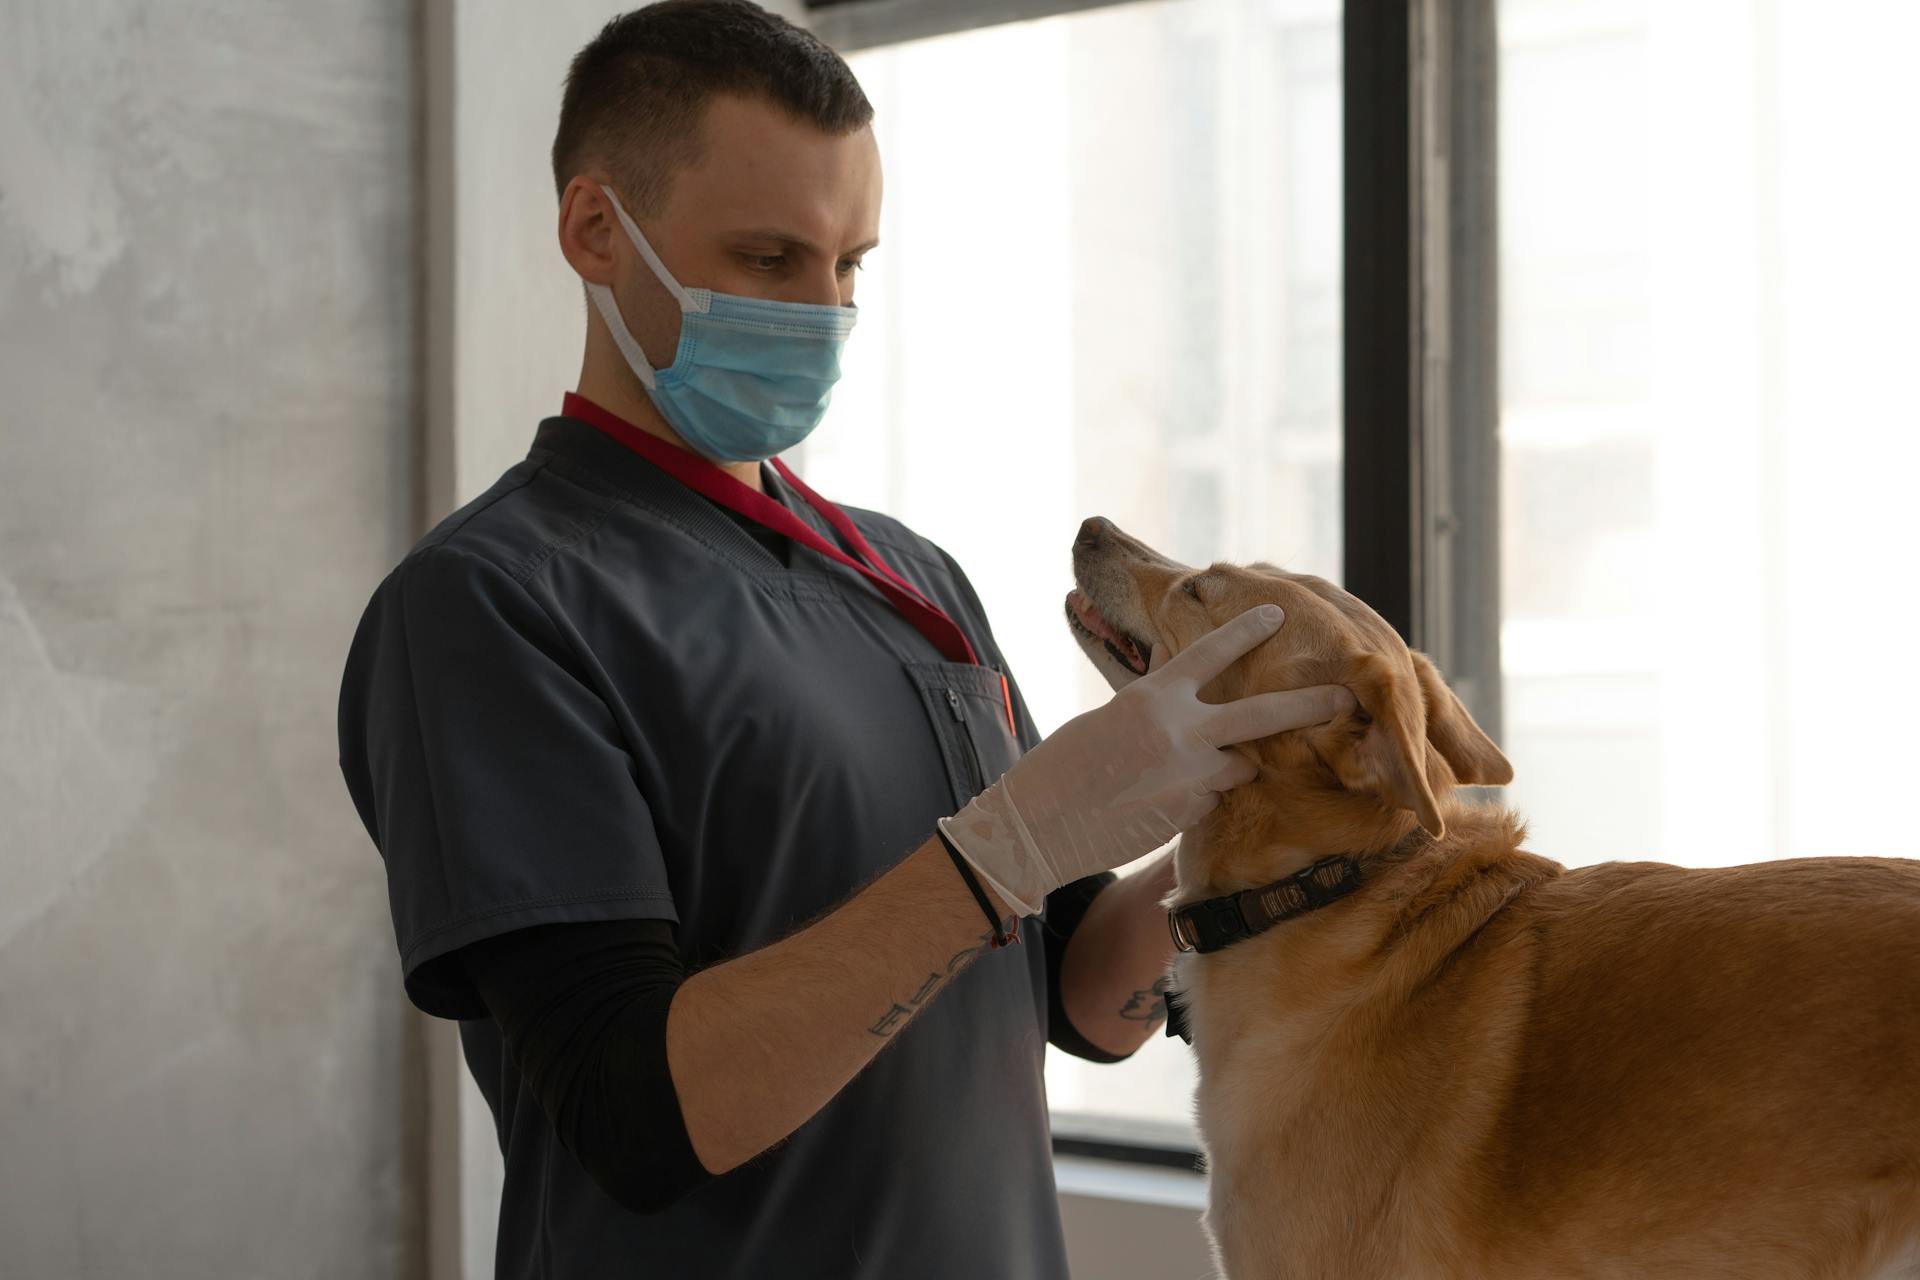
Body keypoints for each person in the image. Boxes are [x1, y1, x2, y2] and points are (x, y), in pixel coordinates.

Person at [336, 3, 1353, 1275]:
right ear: (597, 231)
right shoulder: (492, 604)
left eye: (851, 263)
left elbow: (1076, 999)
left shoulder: (908, 576)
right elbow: (638, 1117)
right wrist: (1007, 847)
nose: (823, 310)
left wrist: (1240, 828)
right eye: (769, 258)